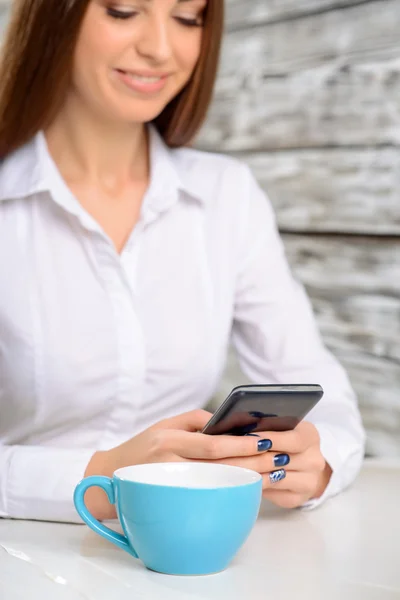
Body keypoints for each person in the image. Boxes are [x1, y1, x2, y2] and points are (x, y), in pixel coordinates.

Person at [0, 0, 365, 524]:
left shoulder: (226, 196)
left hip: (189, 551)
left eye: (188, 17)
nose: (160, 48)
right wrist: (102, 475)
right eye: (123, 11)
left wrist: (315, 460)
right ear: (53, 17)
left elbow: (322, 398)